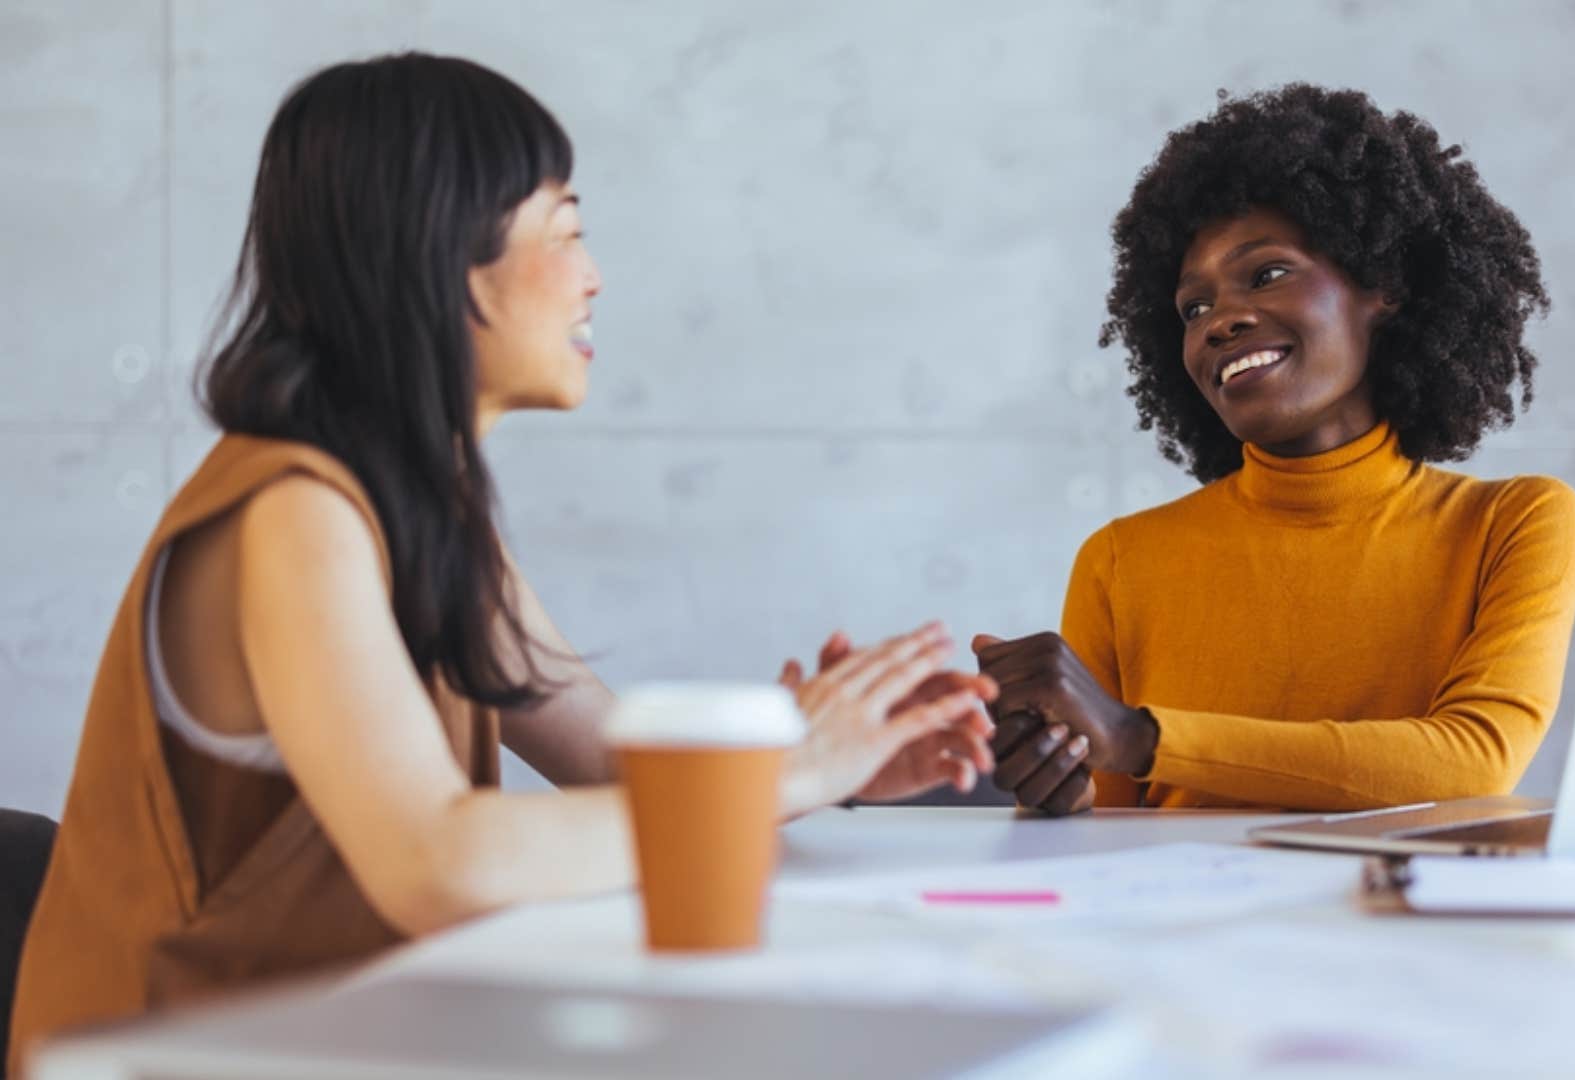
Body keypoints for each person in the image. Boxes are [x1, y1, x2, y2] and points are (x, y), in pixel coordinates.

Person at [8, 53, 994, 1069]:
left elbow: (608, 759)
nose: (594, 275)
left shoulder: (420, 500)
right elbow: (438, 863)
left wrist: (831, 754)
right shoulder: (294, 510)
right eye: (564, 232)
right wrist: (785, 769)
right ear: (442, 257)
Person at [975, 85, 1575, 815]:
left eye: (1267, 274)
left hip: (1394, 925)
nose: (1220, 322)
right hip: (1177, 925)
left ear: (1382, 287)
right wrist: (1054, 785)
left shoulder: (1511, 524)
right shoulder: (1120, 562)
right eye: (1193, 308)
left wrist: (1143, 737)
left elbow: (1472, 764)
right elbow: (1103, 826)